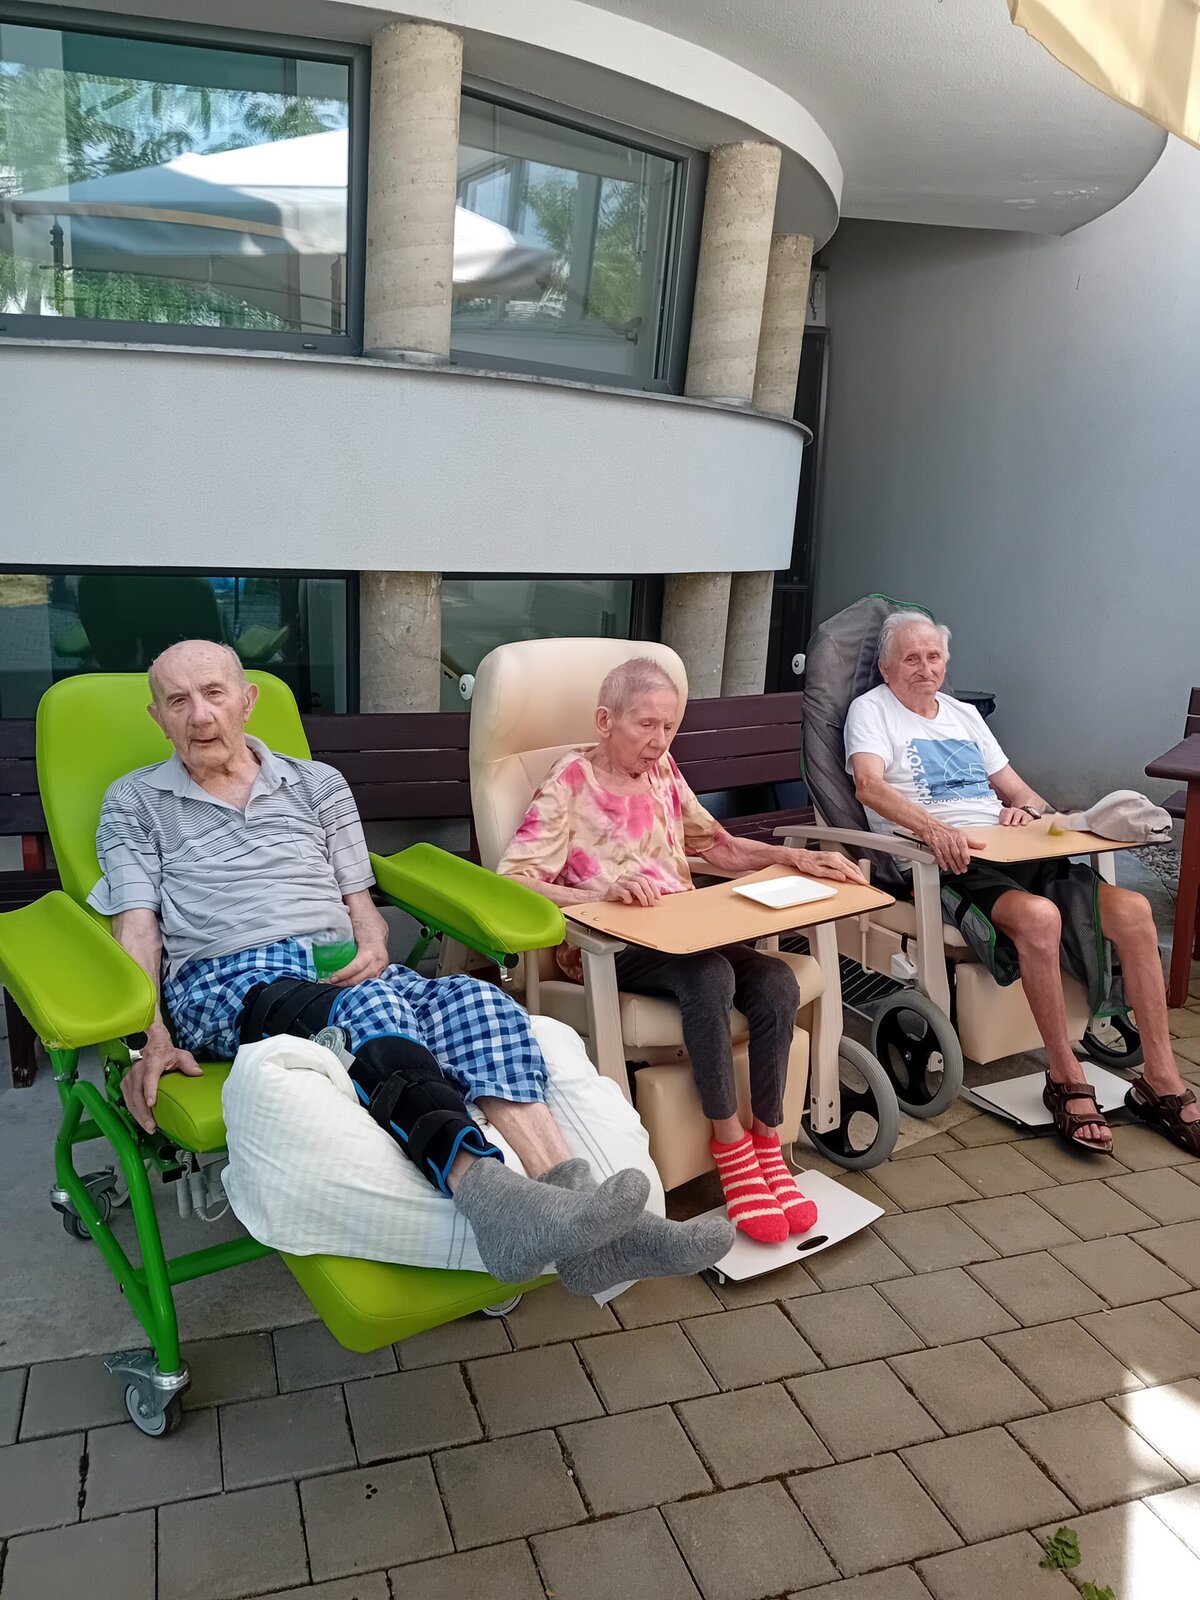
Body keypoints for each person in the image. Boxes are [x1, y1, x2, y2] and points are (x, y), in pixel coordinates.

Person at [88, 640, 733, 1295]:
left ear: (246, 701)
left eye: (214, 694)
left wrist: (373, 943)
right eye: (178, 701)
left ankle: (580, 1217)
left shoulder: (317, 786)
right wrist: (149, 1038)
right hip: (227, 979)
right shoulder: (134, 802)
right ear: (158, 718)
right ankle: (486, 1195)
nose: (200, 715)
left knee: (477, 1002)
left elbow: (360, 905)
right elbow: (136, 927)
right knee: (367, 1007)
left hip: (336, 964)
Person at [497, 656, 866, 1244]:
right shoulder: (571, 781)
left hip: (682, 931)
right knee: (710, 975)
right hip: (610, 944)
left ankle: (768, 1143)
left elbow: (717, 847)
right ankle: (730, 1147)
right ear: (605, 720)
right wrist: (600, 892)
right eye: (646, 724)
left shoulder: (662, 770)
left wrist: (795, 857)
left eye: (669, 726)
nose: (660, 739)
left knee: (776, 981)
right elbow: (512, 881)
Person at [845, 611, 1198, 1154]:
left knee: (1133, 911)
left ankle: (1161, 1079)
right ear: (886, 667)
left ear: (946, 663)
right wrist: (934, 828)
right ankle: (1064, 1074)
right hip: (944, 860)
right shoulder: (871, 711)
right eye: (910, 658)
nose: (924, 668)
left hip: (1013, 847)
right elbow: (869, 786)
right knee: (1039, 916)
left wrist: (1026, 812)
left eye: (933, 657)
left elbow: (1022, 793)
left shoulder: (964, 715)